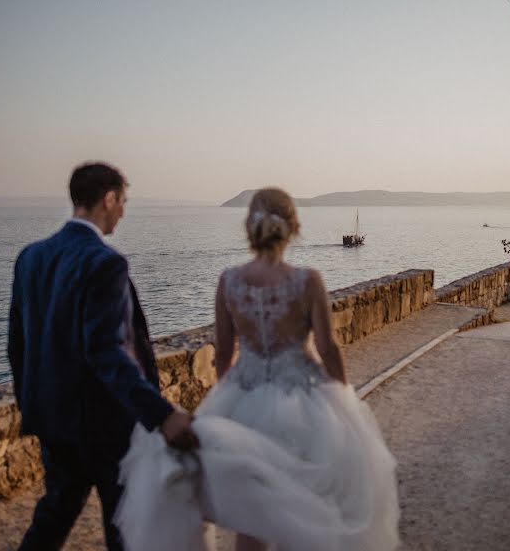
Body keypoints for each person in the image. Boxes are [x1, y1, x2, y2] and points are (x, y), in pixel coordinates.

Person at [115, 187, 400, 551]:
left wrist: (229, 398)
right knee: (305, 506)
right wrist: (343, 396)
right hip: (305, 401)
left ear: (250, 229)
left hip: (243, 395)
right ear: (293, 227)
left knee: (253, 515)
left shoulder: (229, 281)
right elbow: (328, 348)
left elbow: (222, 355)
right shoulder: (307, 281)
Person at [7, 162, 197, 551]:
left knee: (52, 519)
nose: (123, 212)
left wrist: (34, 409)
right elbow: (107, 351)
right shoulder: (105, 262)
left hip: (53, 421)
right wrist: (161, 415)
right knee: (122, 526)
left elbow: (18, 347)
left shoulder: (31, 257)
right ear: (108, 200)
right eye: (122, 202)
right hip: (105, 424)